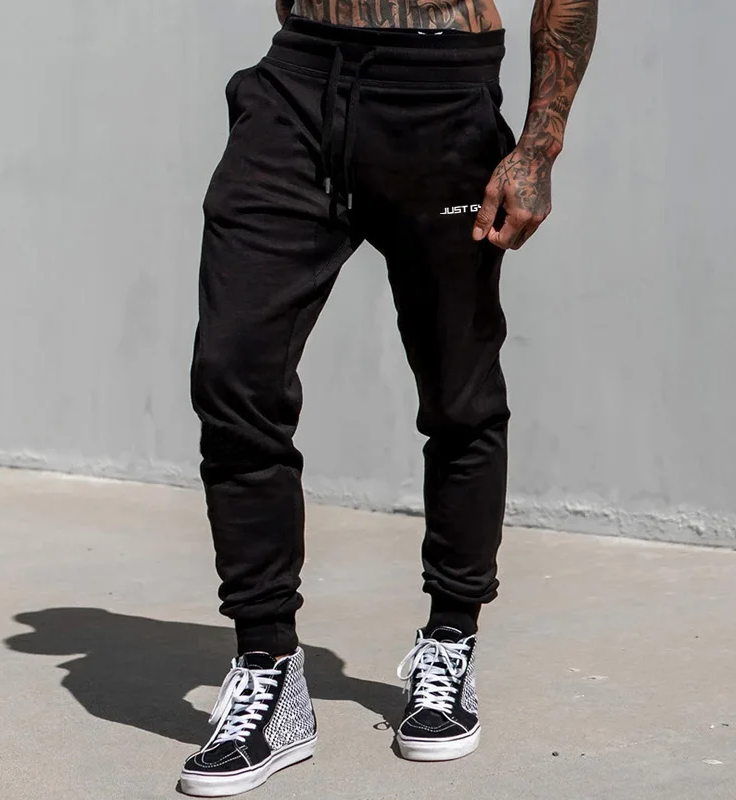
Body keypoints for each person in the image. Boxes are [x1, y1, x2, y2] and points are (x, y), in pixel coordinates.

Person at [181, 0, 597, 795]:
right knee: (233, 373)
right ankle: (268, 664)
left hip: (440, 97)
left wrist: (538, 147)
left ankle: (451, 638)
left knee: (458, 389)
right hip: (297, 84)